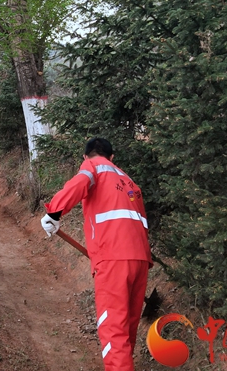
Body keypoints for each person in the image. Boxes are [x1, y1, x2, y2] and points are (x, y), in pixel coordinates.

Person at [41, 137, 151, 371]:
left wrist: (54, 213)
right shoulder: (129, 181)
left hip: (113, 259)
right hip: (140, 259)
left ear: (86, 156)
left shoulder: (93, 166)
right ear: (113, 157)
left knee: (113, 329)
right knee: (128, 327)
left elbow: (80, 183)